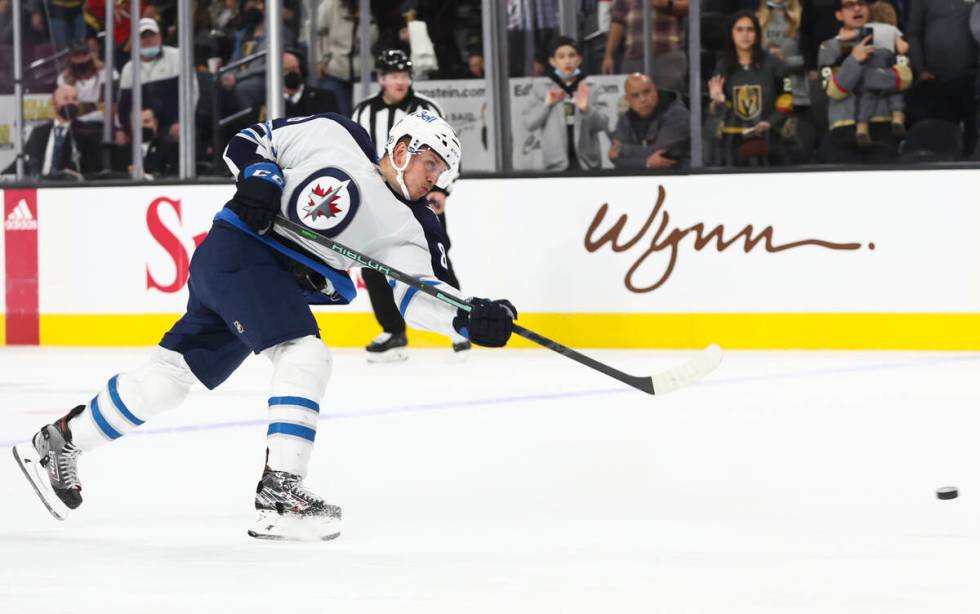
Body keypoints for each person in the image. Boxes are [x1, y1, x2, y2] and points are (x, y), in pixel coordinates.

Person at [12, 109, 519, 541]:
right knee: (306, 354)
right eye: (431, 163)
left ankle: (62, 439)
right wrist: (260, 174)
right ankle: (280, 493)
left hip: (263, 281)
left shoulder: (414, 226)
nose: (434, 179)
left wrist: (469, 316)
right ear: (404, 146)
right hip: (240, 250)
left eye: (442, 172)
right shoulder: (335, 133)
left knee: (167, 381)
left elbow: (418, 295)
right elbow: (250, 140)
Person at [352, 49, 470, 361]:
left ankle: (459, 322)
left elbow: (449, 155)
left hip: (421, 196)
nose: (400, 81)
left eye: (404, 75)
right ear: (381, 79)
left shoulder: (428, 108)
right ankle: (393, 330)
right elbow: (357, 154)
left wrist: (442, 189)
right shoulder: (363, 112)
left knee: (436, 258)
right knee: (372, 263)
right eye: (393, 75)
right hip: (378, 200)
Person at [816, 0, 912, 163]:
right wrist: (854, 60)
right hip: (843, 131)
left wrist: (864, 77)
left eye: (861, 3)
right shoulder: (829, 47)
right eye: (849, 5)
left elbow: (905, 78)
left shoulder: (888, 41)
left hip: (882, 128)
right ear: (839, 14)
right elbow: (835, 91)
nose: (857, 8)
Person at [707, 11, 794, 166]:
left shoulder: (774, 64)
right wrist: (719, 102)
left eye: (750, 29)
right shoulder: (723, 67)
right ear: (731, 33)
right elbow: (716, 118)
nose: (745, 35)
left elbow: (786, 98)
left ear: (757, 34)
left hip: (770, 142)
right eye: (739, 29)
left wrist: (770, 122)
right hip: (735, 144)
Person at [523, 36, 609, 171]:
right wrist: (546, 105)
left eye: (571, 55)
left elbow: (603, 124)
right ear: (552, 61)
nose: (567, 60)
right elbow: (529, 123)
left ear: (579, 59)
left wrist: (587, 109)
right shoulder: (540, 88)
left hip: (587, 166)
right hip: (555, 166)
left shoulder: (593, 86)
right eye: (561, 56)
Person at [905, 0, 977, 157]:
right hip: (935, 80)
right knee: (941, 144)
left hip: (973, 80)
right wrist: (920, 69)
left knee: (973, 142)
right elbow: (914, 33)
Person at [118, 18, 197, 143]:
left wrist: (182, 122)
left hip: (174, 126)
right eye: (143, 37)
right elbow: (124, 107)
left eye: (152, 35)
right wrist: (124, 129)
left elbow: (192, 94)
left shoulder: (178, 57)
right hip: (143, 130)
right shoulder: (129, 69)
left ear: (159, 37)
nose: (148, 40)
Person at [5, 84, 101, 177]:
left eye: (74, 99)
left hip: (69, 186)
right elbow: (23, 162)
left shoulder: (88, 132)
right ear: (54, 104)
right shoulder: (38, 133)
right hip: (41, 185)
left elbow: (95, 170)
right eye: (66, 99)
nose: (71, 102)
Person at [602, 0, 689, 91]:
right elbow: (618, 21)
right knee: (634, 101)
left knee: (666, 99)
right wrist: (608, 55)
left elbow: (690, 7)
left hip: (667, 55)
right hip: (633, 58)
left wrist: (668, 3)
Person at [854, 0, 909, 144]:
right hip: (885, 65)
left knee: (867, 95)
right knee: (895, 89)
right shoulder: (892, 29)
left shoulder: (865, 27)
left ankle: (862, 126)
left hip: (869, 66)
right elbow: (902, 48)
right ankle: (897, 116)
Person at [609, 73, 690, 169]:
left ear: (655, 91)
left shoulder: (677, 113)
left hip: (679, 177)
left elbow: (661, 153)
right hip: (640, 179)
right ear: (628, 100)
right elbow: (616, 159)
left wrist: (621, 149)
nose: (643, 99)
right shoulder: (626, 119)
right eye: (635, 96)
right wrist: (646, 163)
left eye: (646, 92)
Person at [315, 0, 377, 117]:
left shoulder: (374, 8)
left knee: (367, 115)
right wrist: (319, 60)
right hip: (334, 70)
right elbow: (315, 34)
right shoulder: (329, 6)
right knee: (335, 116)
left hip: (366, 71)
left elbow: (376, 40)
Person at [57, 39, 119, 125]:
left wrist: (84, 107)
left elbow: (111, 107)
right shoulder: (63, 78)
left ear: (91, 55)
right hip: (76, 125)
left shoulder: (108, 73)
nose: (81, 59)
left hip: (105, 124)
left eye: (84, 55)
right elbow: (67, 109)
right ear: (70, 58)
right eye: (76, 56)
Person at [282, 50, 340, 117]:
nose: (290, 73)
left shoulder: (326, 98)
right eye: (285, 70)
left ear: (302, 70)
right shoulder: (270, 103)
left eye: (293, 68)